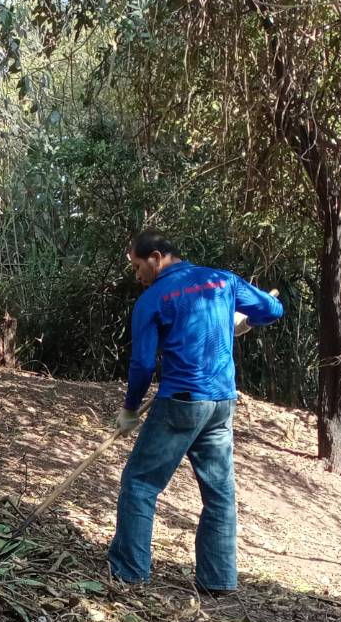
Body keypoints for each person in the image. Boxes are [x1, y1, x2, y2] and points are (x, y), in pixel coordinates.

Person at [108, 230, 284, 594]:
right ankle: (218, 581)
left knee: (140, 484)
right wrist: (247, 319)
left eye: (138, 266)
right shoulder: (222, 280)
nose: (137, 275)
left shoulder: (152, 299)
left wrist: (129, 409)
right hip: (221, 404)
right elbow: (272, 310)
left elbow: (142, 363)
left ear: (156, 258)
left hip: (181, 403)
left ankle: (129, 573)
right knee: (219, 494)